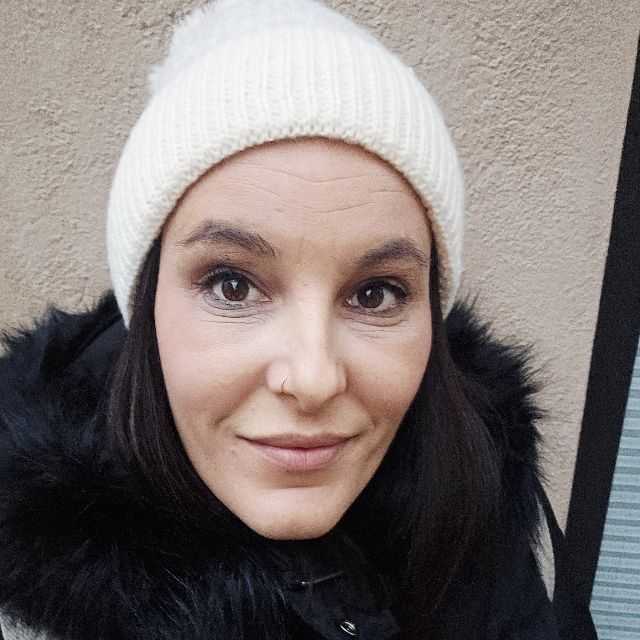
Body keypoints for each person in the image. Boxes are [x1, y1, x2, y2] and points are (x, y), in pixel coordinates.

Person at [0, 1, 597, 639]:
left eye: (375, 294)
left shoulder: (479, 481)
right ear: (145, 307)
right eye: (232, 286)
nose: (313, 379)